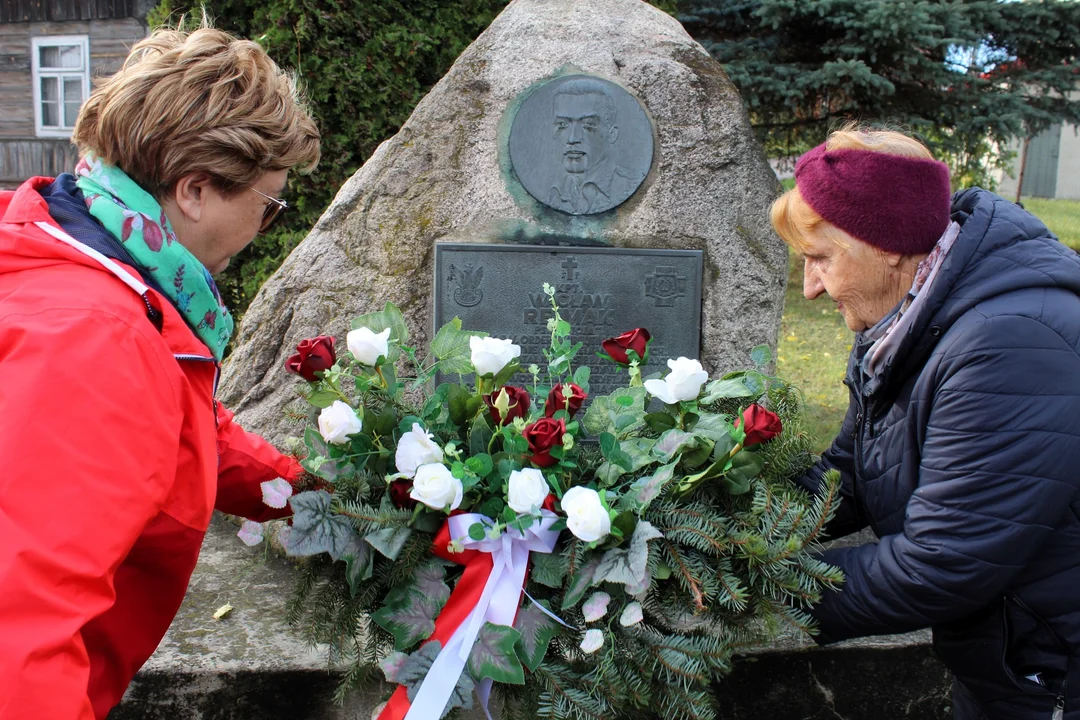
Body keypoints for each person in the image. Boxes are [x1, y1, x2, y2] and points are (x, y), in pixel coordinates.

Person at [0, 25, 320, 719]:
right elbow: (21, 635)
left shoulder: (76, 251)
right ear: (196, 189)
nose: (268, 225)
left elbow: (179, 424)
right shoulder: (97, 341)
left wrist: (323, 493)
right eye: (268, 204)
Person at [775, 125, 1080, 720]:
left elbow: (942, 563)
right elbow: (854, 473)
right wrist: (716, 535)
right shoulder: (911, 316)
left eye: (819, 259)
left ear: (885, 244)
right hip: (1011, 657)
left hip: (1054, 672)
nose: (809, 288)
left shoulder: (1007, 346)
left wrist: (758, 588)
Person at [547, 77, 641, 214]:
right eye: (562, 125)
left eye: (588, 126)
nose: (572, 138)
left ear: (612, 134)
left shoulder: (627, 184)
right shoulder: (553, 191)